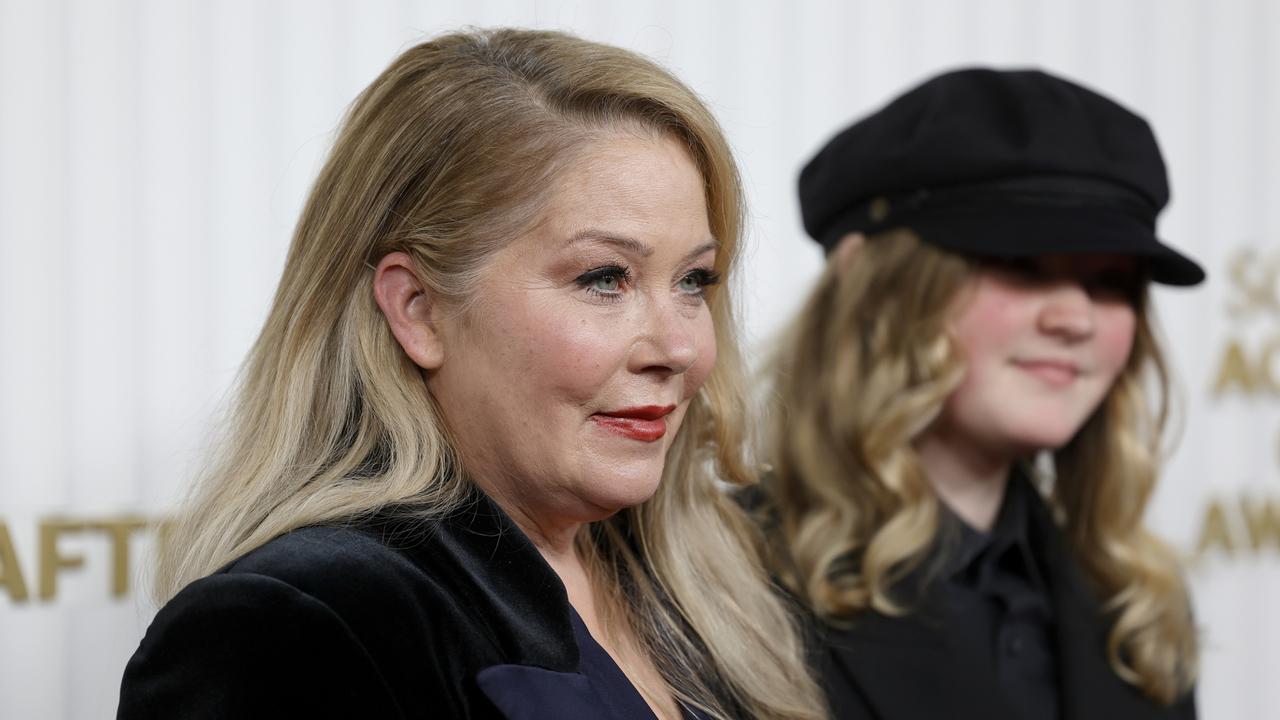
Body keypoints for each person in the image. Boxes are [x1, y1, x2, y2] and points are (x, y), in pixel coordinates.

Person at [117, 29, 823, 720]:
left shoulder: (714, 595)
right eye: (605, 278)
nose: (678, 347)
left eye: (694, 281)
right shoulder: (298, 626)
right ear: (418, 309)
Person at [761, 68, 1202, 720]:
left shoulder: (1137, 605)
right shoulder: (729, 581)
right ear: (874, 293)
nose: (1074, 319)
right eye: (1023, 263)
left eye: (1110, 281)